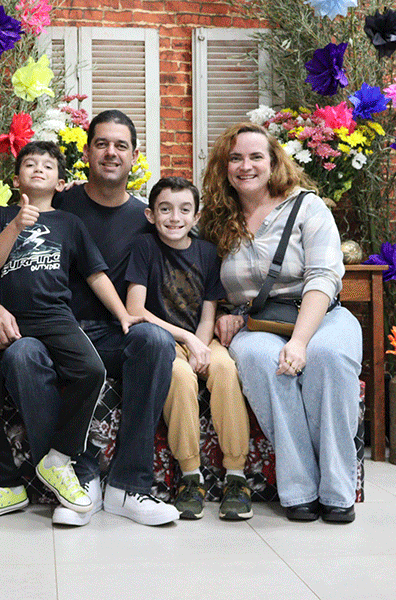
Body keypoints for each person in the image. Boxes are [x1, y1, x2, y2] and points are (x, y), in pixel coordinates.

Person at [0, 110, 179, 526]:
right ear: (86, 153)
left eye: (121, 145)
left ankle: (129, 486)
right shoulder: (51, 202)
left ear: (134, 155)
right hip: (45, 331)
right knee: (21, 355)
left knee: (155, 342)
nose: (111, 152)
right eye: (102, 143)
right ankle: (76, 478)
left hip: (112, 334)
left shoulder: (146, 220)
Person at [0, 141, 141, 520]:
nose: (38, 169)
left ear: (60, 183)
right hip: (9, 318)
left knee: (90, 371)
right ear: (16, 179)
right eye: (30, 164)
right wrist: (14, 226)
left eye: (47, 165)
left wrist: (123, 314)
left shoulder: (69, 223)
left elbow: (95, 274)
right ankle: (7, 485)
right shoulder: (0, 215)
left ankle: (58, 458)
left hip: (55, 316)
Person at [200, 122, 361, 523]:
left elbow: (323, 276)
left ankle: (338, 491)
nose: (246, 166)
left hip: (321, 313)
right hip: (255, 323)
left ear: (273, 162)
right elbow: (202, 280)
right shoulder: (215, 219)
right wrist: (224, 315)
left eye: (256, 157)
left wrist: (301, 342)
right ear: (224, 166)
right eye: (235, 158)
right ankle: (300, 489)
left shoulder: (307, 207)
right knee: (260, 360)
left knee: (328, 358)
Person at [124, 176, 252, 520]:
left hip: (202, 337)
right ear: (151, 215)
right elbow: (135, 309)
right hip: (166, 340)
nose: (174, 218)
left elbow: (209, 312)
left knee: (225, 369)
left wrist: (201, 344)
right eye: (165, 209)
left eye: (184, 210)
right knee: (179, 376)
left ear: (196, 216)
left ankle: (236, 477)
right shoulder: (144, 247)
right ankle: (190, 476)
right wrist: (188, 340)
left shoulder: (207, 252)